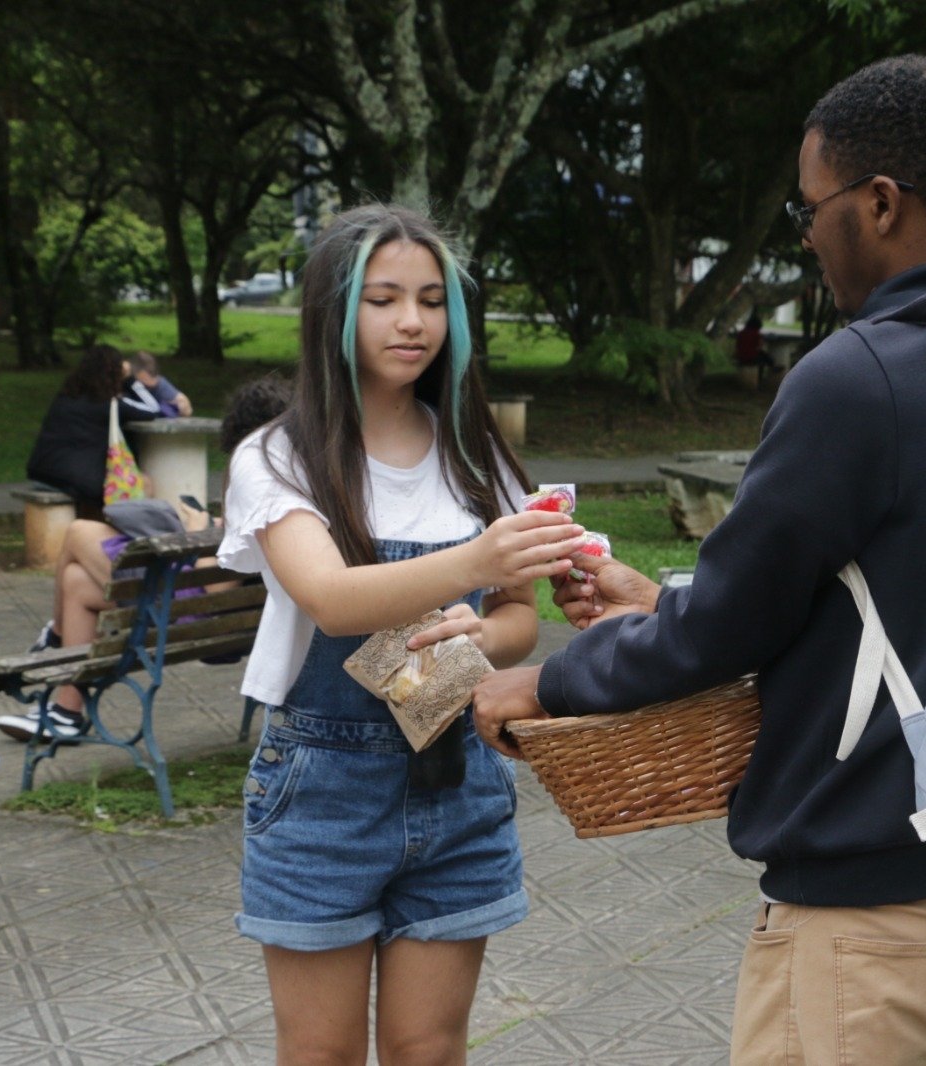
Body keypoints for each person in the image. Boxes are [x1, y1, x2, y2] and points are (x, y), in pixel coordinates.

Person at [475, 56, 926, 1063]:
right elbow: (900, 590)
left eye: (808, 209)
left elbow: (729, 627)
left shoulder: (861, 376)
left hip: (874, 929)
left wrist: (548, 680)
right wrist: (661, 595)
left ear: (880, 203)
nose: (806, 236)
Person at [218, 203, 583, 1064]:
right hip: (321, 790)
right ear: (332, 315)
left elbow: (519, 621)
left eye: (430, 298)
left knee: (430, 1049)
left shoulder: (475, 453)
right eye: (383, 299)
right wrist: (477, 557)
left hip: (457, 775)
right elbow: (335, 601)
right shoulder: (276, 457)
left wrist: (480, 636)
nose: (413, 321)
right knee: (323, 1055)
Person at [0, 374, 292, 741]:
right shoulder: (295, 482)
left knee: (79, 533)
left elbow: (216, 584)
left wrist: (197, 530)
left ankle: (55, 640)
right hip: (231, 620)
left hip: (188, 609)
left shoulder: (254, 483)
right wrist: (216, 526)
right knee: (76, 582)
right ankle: (65, 712)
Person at [24, 343, 158, 519]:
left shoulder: (65, 396)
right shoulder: (109, 404)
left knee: (95, 489)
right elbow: (152, 409)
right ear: (115, 373)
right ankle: (121, 540)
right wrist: (131, 380)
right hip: (75, 478)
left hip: (41, 471)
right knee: (142, 484)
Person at [123, 348, 192, 418]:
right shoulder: (122, 378)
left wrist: (181, 405)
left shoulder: (159, 383)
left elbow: (186, 409)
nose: (145, 389)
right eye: (143, 385)